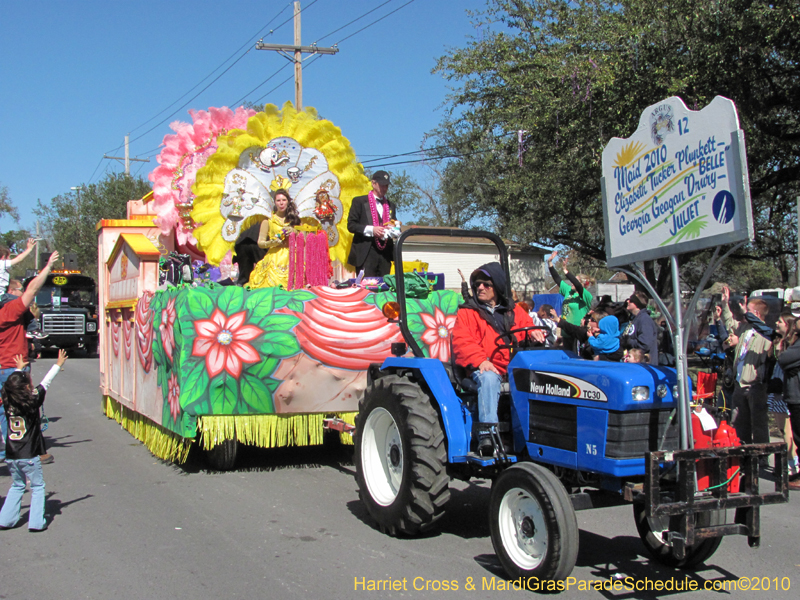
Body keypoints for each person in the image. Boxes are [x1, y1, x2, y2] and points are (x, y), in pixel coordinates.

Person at [451, 263, 545, 456]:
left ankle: (535, 434)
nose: (480, 288)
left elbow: (526, 326)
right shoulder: (468, 312)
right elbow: (463, 341)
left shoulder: (514, 311)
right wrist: (480, 361)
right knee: (489, 377)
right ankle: (487, 434)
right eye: (477, 284)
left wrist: (533, 331)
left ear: (498, 286)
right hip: (483, 366)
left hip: (512, 366)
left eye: (486, 284)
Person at [0, 252, 59, 464]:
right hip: (13, 368)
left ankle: (8, 448)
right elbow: (33, 289)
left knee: (3, 410)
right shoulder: (9, 312)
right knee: (24, 410)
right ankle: (27, 451)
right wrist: (47, 268)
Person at [0, 349, 67, 531]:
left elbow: (13, 385)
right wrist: (58, 364)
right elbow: (46, 382)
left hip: (12, 455)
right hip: (29, 454)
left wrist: (18, 370)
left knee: (17, 485)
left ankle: (5, 520)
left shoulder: (7, 400)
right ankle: (36, 522)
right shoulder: (32, 400)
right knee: (37, 486)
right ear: (28, 388)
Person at [721, 286, 772, 445]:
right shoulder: (744, 328)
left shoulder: (765, 333)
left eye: (747, 310)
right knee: (739, 422)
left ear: (756, 314)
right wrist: (725, 305)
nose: (743, 313)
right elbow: (729, 322)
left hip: (755, 386)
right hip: (739, 383)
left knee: (758, 424)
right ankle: (742, 456)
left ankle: (762, 457)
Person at [248, 189, 302, 289]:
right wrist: (273, 242)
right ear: (275, 202)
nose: (281, 203)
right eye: (278, 200)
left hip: (292, 256)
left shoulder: (295, 219)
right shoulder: (268, 220)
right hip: (273, 258)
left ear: (288, 201)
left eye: (284, 200)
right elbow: (260, 242)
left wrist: (294, 231)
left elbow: (303, 241)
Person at [347, 171, 397, 277]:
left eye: (386, 186)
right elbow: (351, 225)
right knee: (367, 287)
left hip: (385, 254)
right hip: (366, 253)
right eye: (381, 185)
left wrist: (394, 228)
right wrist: (372, 230)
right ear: (373, 183)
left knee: (384, 286)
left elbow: (395, 224)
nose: (384, 188)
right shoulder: (359, 201)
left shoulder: (390, 205)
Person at [547, 251, 592, 353]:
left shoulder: (586, 295)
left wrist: (566, 271)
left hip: (577, 333)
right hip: (566, 331)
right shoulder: (568, 291)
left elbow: (579, 286)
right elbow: (557, 279)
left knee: (577, 358)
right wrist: (550, 263)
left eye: (575, 280)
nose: (572, 282)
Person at [771, 312, 799, 476]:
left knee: (790, 430)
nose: (776, 323)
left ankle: (792, 464)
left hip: (788, 390)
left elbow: (785, 361)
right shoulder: (778, 341)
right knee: (783, 429)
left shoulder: (792, 344)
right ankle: (789, 462)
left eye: (780, 321)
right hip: (778, 390)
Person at [620, 291, 660, 365]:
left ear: (637, 304)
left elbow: (645, 344)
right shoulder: (634, 319)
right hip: (633, 364)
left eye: (631, 300)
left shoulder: (645, 320)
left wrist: (629, 341)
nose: (628, 301)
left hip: (644, 366)